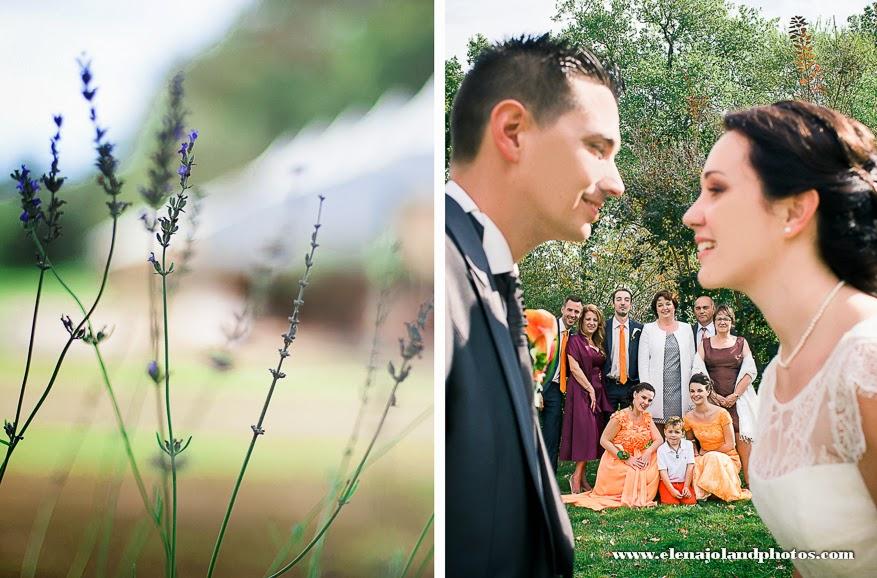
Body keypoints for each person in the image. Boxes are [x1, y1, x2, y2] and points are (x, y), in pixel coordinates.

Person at [446, 34, 624, 577]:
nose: (614, 183)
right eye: (597, 148)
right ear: (513, 132)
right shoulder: (440, 281)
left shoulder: (485, 274)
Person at [683, 100, 877, 575]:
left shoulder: (866, 361)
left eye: (717, 190)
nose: (692, 214)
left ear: (794, 210)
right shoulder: (777, 375)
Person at [563, 382, 662, 510]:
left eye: (650, 400)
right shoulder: (619, 417)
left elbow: (659, 439)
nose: (646, 402)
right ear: (635, 394)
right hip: (617, 457)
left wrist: (648, 452)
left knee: (652, 469)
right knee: (631, 472)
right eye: (643, 397)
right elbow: (604, 440)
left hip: (639, 454)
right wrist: (626, 458)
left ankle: (644, 492)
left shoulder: (647, 417)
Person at [695, 304, 757, 483]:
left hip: (738, 398)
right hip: (714, 399)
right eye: (719, 319)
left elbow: (750, 370)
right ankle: (721, 483)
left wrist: (735, 395)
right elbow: (697, 370)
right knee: (718, 441)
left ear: (732, 322)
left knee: (741, 436)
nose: (722, 322)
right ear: (714, 322)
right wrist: (712, 395)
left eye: (726, 319)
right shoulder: (705, 343)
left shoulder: (741, 342)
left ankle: (750, 481)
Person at [560, 304, 613, 493]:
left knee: (593, 434)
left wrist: (595, 391)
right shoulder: (574, 341)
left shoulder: (597, 342)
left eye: (594, 320)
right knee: (586, 433)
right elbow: (574, 368)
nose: (591, 323)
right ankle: (575, 477)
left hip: (598, 392)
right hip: (581, 391)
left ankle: (581, 480)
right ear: (581, 322)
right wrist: (590, 389)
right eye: (587, 319)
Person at [684, 373, 751, 502]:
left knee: (712, 457)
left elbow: (730, 445)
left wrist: (708, 452)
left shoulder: (722, 413)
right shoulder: (689, 417)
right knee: (694, 463)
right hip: (704, 457)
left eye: (699, 390)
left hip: (727, 457)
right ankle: (707, 493)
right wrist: (696, 454)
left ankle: (719, 490)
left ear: (708, 391)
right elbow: (690, 441)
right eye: (692, 391)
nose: (695, 394)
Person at [637, 290, 696, 430]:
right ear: (656, 309)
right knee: (658, 429)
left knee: (680, 429)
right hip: (657, 388)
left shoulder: (686, 329)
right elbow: (643, 363)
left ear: (674, 306)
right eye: (660, 305)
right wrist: (645, 391)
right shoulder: (648, 329)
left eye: (668, 303)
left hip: (681, 387)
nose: (665, 308)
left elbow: (693, 361)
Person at [539, 295, 584, 472]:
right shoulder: (547, 328)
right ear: (563, 309)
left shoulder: (573, 337)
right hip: (539, 387)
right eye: (570, 310)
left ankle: (548, 478)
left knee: (552, 436)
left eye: (577, 311)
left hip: (557, 391)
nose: (573, 314)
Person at [603, 288, 643, 410]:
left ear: (630, 304)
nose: (622, 303)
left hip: (631, 385)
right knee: (607, 424)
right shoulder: (603, 327)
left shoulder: (640, 329)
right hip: (609, 385)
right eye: (619, 299)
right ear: (613, 303)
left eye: (626, 300)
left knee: (630, 426)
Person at [657, 416, 696, 505]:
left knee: (691, 502)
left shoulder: (688, 445)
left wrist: (686, 486)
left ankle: (686, 490)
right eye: (670, 432)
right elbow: (662, 472)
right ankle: (667, 494)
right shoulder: (661, 449)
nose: (673, 435)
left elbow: (690, 466)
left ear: (682, 434)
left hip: (683, 482)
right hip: (667, 483)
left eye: (677, 432)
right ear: (665, 432)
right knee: (672, 503)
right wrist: (671, 490)